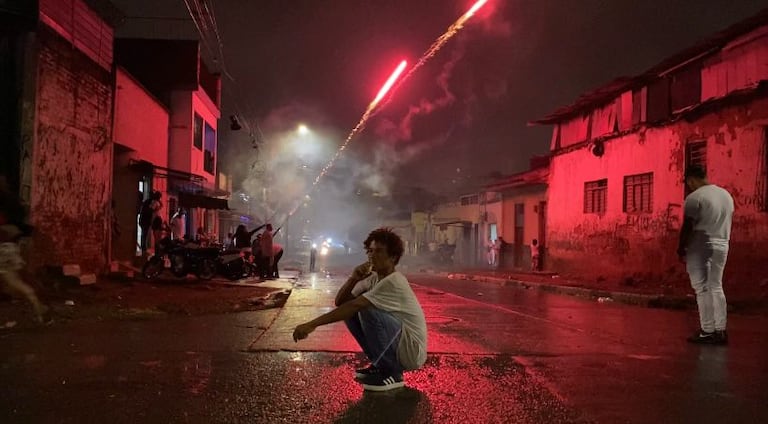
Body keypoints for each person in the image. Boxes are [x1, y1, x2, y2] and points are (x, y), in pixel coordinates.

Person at [293, 227, 427, 392]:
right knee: (352, 312)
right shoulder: (373, 279)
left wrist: (312, 324)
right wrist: (354, 277)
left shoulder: (394, 281)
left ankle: (393, 372)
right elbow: (341, 302)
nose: (372, 255)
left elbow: (355, 305)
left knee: (364, 309)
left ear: (393, 257)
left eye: (378, 251)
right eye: (370, 251)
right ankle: (381, 364)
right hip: (401, 345)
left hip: (411, 350)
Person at [678, 165, 734, 345]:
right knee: (716, 286)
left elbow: (688, 226)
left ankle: (707, 330)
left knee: (701, 289)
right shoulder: (726, 195)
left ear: (691, 179)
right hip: (722, 244)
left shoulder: (695, 198)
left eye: (688, 183)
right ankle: (720, 330)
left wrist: (681, 248)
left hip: (700, 246)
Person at [0, 176, 52, 325]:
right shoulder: (11, 202)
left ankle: (38, 305)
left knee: (14, 283)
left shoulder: (5, 206)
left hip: (4, 249)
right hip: (9, 247)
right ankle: (39, 305)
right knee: (15, 282)